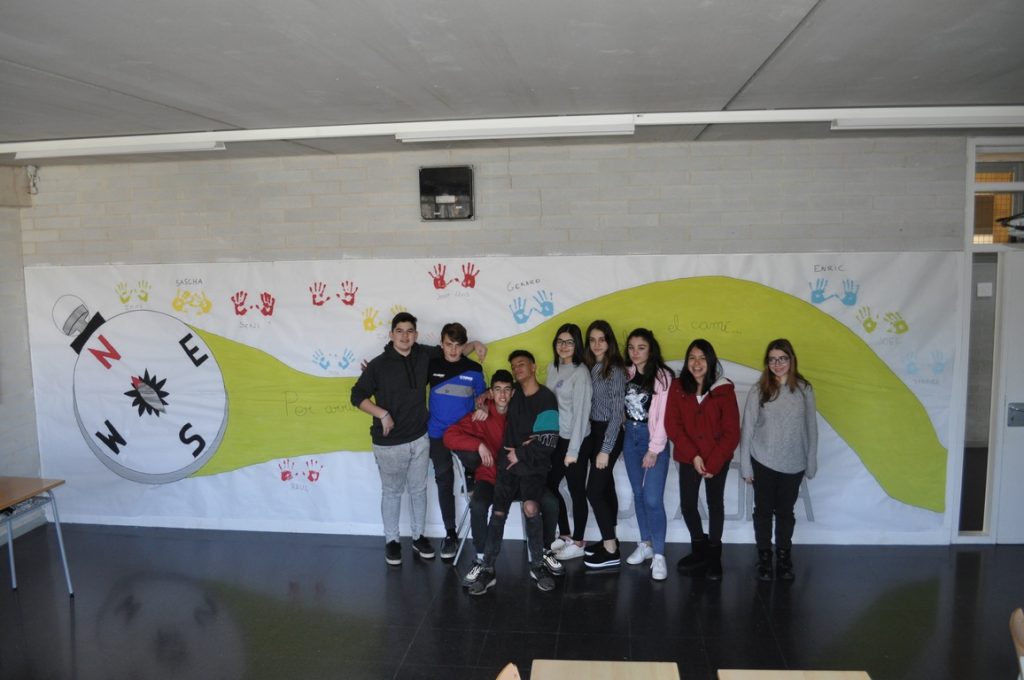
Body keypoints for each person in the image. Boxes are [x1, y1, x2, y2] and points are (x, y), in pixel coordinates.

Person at [350, 312, 484, 567]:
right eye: (399, 331)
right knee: (392, 492)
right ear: (391, 334)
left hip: (420, 437)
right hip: (389, 442)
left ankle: (419, 537)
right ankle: (392, 541)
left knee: (419, 490)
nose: (405, 336)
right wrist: (382, 414)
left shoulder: (424, 356)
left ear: (416, 335)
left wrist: (475, 344)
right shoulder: (378, 365)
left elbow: (452, 351)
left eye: (409, 331)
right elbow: (357, 396)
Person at [444, 370, 562, 586]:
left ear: (513, 392)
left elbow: (542, 434)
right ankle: (482, 560)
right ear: (491, 392)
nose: (502, 395)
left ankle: (543, 553)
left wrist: (533, 443)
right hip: (491, 477)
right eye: (497, 390)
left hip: (523, 476)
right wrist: (478, 445)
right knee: (479, 505)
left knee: (550, 503)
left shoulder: (522, 410)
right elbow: (449, 436)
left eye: (507, 390)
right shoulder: (483, 414)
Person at [738, 338, 817, 582]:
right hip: (763, 461)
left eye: (782, 358)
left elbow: (811, 427)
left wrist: (811, 460)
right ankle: (764, 557)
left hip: (794, 463)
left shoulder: (804, 389)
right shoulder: (759, 390)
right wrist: (745, 465)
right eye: (772, 360)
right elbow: (747, 428)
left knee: (785, 512)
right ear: (767, 363)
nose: (777, 364)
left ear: (791, 360)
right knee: (763, 511)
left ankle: (784, 557)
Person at [665, 338, 740, 580]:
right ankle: (699, 550)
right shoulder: (678, 387)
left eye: (702, 358)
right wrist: (694, 455)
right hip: (689, 458)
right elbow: (672, 425)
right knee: (688, 504)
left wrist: (714, 461)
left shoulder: (723, 389)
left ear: (711, 361)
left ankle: (714, 555)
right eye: (692, 358)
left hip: (717, 458)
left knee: (715, 504)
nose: (696, 363)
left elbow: (732, 432)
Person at [427, 322, 486, 560]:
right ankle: (450, 534)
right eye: (448, 344)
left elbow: (482, 397)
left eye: (458, 345)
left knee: (476, 460)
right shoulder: (431, 365)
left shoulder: (474, 369)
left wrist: (483, 405)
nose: (453, 350)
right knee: (444, 480)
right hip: (437, 433)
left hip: (464, 433)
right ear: (441, 344)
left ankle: (471, 478)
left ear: (464, 346)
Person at [621, 328, 675, 581]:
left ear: (651, 349)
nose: (635, 352)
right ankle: (646, 544)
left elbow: (664, 417)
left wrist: (654, 450)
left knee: (653, 498)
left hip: (652, 439)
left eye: (641, 347)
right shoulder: (626, 373)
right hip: (630, 438)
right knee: (639, 494)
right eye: (631, 347)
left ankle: (659, 555)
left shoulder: (663, 377)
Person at [580, 320, 626, 570]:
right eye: (592, 340)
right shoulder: (590, 367)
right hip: (594, 431)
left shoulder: (614, 369)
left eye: (602, 339)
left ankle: (610, 550)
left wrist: (605, 450)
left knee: (594, 491)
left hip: (610, 432)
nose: (597, 344)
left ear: (609, 342)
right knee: (606, 487)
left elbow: (618, 412)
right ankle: (611, 539)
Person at [546, 323, 593, 561]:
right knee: (550, 485)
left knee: (576, 490)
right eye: (560, 341)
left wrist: (573, 450)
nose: (563, 346)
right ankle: (564, 534)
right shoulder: (552, 368)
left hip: (577, 439)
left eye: (569, 342)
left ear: (577, 345)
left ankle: (579, 541)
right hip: (558, 438)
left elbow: (582, 415)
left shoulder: (580, 373)